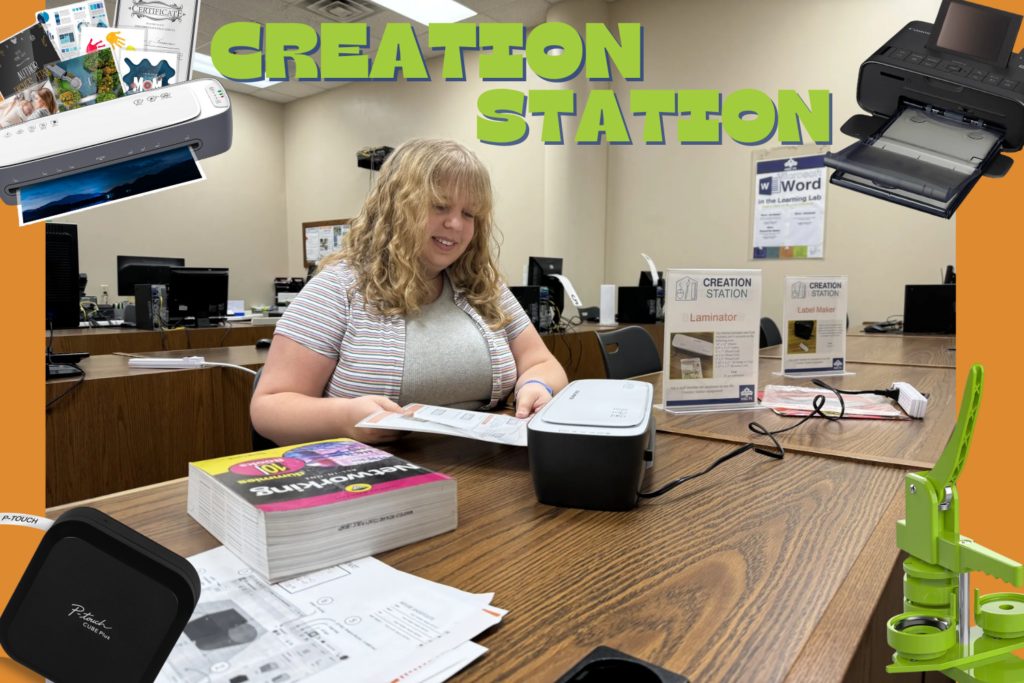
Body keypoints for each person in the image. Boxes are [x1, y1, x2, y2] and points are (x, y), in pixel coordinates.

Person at [252, 138, 568, 446]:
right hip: (372, 476)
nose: (456, 224)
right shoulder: (339, 289)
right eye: (440, 205)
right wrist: (344, 418)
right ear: (396, 207)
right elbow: (269, 407)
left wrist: (537, 385)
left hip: (480, 473)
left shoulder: (482, 286)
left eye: (469, 213)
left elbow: (541, 363)